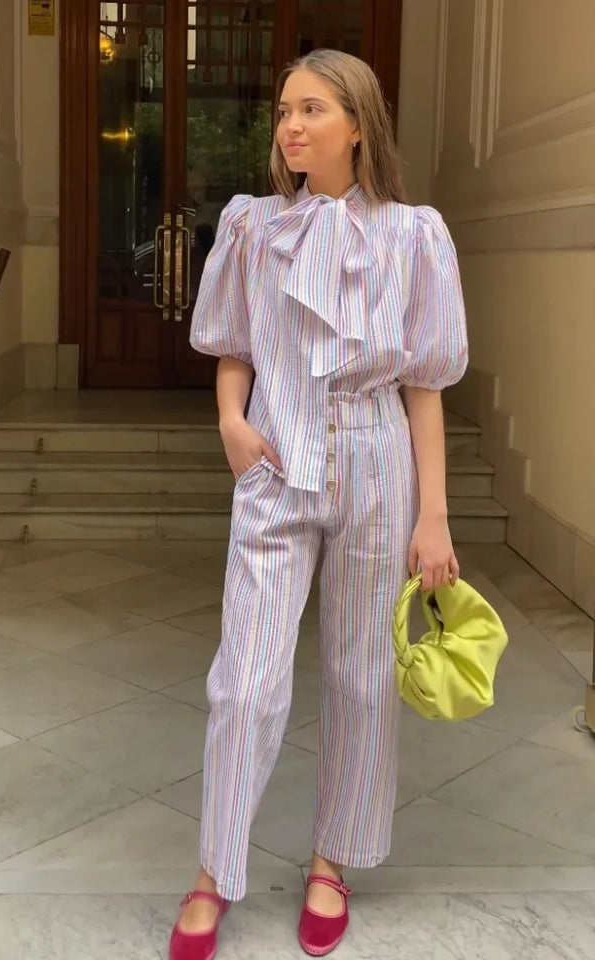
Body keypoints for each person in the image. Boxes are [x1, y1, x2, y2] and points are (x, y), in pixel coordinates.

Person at [169, 49, 468, 960]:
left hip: (379, 462)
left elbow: (424, 385)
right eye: (284, 112)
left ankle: (332, 862)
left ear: (358, 125)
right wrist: (231, 421)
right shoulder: (253, 226)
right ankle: (214, 871)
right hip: (275, 462)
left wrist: (434, 517)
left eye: (312, 109)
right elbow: (233, 345)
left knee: (362, 672)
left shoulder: (414, 236)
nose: (290, 127)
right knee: (246, 680)